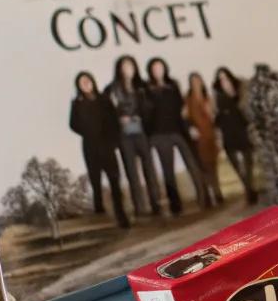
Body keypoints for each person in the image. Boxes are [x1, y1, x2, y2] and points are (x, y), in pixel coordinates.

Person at [145, 57, 209, 213]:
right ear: (151, 71)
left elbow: (181, 110)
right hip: (160, 134)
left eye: (160, 67)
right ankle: (176, 205)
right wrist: (150, 136)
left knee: (192, 164)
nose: (158, 71)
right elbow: (147, 113)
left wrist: (188, 127)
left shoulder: (172, 85)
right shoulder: (148, 89)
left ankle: (204, 198)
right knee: (168, 171)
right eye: (155, 68)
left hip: (177, 131)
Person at [68, 71, 130, 229]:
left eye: (87, 80)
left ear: (92, 81)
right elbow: (73, 124)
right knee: (96, 181)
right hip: (90, 147)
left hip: (107, 146)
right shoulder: (77, 102)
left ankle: (121, 216)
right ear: (78, 86)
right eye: (82, 82)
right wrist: (87, 131)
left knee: (114, 181)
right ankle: (101, 214)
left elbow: (115, 120)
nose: (86, 84)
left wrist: (114, 141)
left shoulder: (104, 98)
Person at [104, 56, 161, 218]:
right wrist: (119, 118)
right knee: (132, 172)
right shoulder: (111, 89)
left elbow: (150, 108)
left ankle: (155, 202)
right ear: (120, 68)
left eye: (131, 65)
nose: (129, 68)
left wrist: (141, 116)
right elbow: (107, 114)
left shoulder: (141, 86)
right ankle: (140, 208)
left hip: (141, 131)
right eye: (125, 66)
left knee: (149, 168)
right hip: (124, 135)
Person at [213, 66, 258, 204]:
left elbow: (247, 111)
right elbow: (217, 118)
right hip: (228, 133)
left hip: (242, 131)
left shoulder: (241, 92)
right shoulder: (218, 97)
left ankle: (250, 189)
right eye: (221, 79)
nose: (224, 82)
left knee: (248, 162)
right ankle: (248, 188)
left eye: (225, 78)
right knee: (236, 164)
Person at [184, 71, 223, 206]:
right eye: (193, 81)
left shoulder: (208, 98)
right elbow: (185, 116)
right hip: (198, 137)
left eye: (198, 80)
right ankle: (207, 195)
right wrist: (191, 128)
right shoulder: (188, 99)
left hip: (210, 134)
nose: (196, 83)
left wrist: (210, 111)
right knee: (203, 166)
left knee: (213, 165)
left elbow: (214, 117)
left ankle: (217, 193)